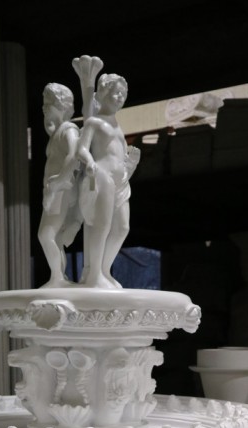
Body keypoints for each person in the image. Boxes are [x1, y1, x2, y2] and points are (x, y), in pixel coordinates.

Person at [75, 73, 140, 288]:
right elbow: (81, 149)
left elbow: (119, 157)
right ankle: (94, 275)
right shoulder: (94, 122)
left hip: (121, 183)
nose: (120, 97)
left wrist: (131, 164)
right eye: (116, 92)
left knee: (122, 228)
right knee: (101, 226)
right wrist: (89, 162)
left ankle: (104, 270)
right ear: (103, 93)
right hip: (102, 176)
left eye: (123, 93)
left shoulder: (118, 126)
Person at [37, 82, 82, 287]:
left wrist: (59, 182)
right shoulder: (58, 132)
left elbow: (74, 155)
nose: (44, 107)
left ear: (61, 104)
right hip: (55, 190)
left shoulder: (68, 129)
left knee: (46, 235)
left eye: (49, 102)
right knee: (54, 237)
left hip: (60, 190)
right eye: (44, 102)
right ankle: (58, 277)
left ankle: (57, 278)